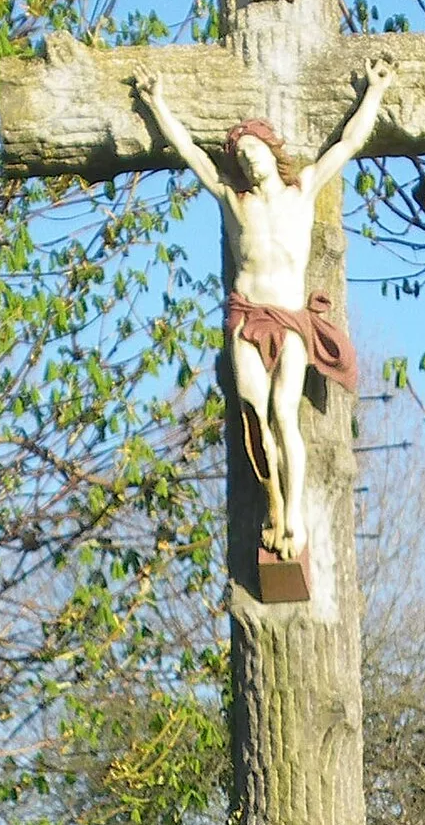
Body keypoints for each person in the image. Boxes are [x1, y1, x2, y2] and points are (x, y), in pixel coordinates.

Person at [134, 59, 394, 560]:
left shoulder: (305, 189)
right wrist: (156, 101)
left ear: (273, 153)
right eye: (242, 156)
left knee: (283, 413)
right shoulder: (235, 202)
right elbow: (190, 152)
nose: (250, 162)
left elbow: (348, 144)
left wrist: (374, 94)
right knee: (253, 413)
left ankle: (291, 512)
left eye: (255, 151)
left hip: (291, 319)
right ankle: (273, 502)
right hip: (247, 318)